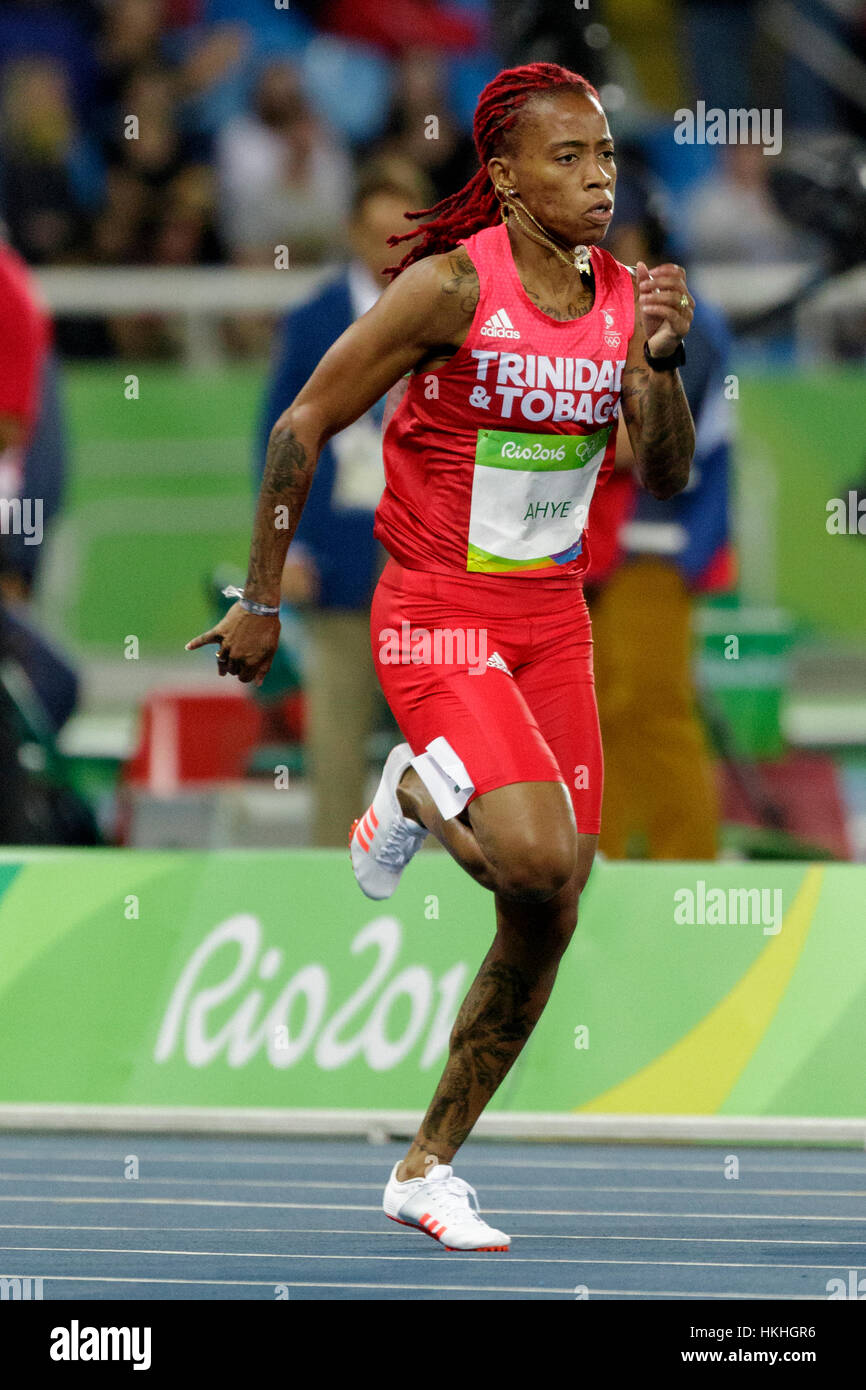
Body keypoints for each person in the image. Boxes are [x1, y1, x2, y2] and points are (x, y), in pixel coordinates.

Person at [187, 62, 696, 1252]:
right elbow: (300, 423)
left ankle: (424, 1166)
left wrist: (660, 367)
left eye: (606, 159)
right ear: (506, 178)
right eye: (565, 160)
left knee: (555, 902)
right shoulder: (446, 290)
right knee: (529, 853)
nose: (595, 180)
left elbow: (660, 472)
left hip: (550, 622)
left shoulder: (621, 297)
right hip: (434, 609)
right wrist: (259, 596)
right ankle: (414, 782)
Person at [256, 159, 433, 846]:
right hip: (342, 565)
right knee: (335, 744)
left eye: (405, 237)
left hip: (432, 574)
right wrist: (288, 548)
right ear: (353, 235)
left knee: (449, 752)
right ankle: (331, 894)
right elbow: (280, 440)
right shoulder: (313, 323)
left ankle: (460, 898)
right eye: (380, 236)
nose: (393, 253)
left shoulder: (456, 315)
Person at [586, 171, 733, 860]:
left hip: (654, 543)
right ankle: (600, 866)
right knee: (596, 716)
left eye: (624, 235)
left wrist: (551, 433)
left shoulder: (683, 321)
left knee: (654, 709)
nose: (610, 248)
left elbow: (648, 441)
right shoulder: (593, 307)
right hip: (590, 549)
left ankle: (686, 871)